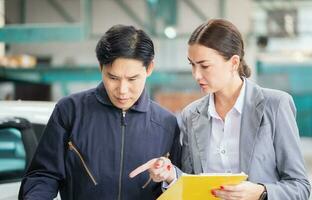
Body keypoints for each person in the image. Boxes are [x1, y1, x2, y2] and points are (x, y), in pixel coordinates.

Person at [130, 19, 311, 200]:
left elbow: (300, 187)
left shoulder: (276, 105)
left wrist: (261, 191)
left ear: (233, 62)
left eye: (205, 66)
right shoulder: (191, 115)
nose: (196, 75)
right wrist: (169, 173)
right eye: (192, 64)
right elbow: (191, 182)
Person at [18, 25, 181, 200]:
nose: (122, 90)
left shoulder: (167, 124)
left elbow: (181, 188)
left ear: (149, 69)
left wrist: (170, 175)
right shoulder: (70, 111)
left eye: (132, 79)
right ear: (101, 67)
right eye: (113, 78)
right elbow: (43, 175)